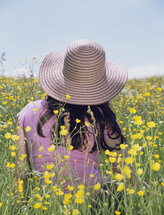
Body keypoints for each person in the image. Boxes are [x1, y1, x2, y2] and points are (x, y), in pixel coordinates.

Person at [16, 39, 128, 193]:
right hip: (98, 199)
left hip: (46, 202)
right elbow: (126, 175)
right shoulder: (102, 118)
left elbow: (20, 171)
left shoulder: (29, 110)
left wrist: (22, 209)